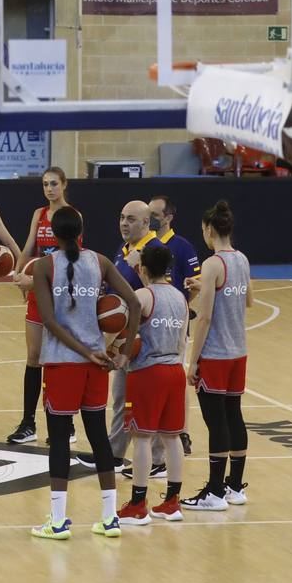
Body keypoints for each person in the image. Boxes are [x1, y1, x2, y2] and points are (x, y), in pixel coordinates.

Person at [30, 206, 140, 541]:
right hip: (97, 367)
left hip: (64, 363)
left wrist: (82, 351)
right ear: (81, 230)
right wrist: (122, 351)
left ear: (53, 232)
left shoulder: (44, 266)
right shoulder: (101, 262)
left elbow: (49, 321)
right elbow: (134, 304)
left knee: (60, 440)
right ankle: (109, 518)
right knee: (98, 438)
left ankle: (60, 521)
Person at [182, 201, 252, 511]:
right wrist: (206, 286)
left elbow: (205, 317)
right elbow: (248, 299)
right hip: (239, 351)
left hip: (216, 353)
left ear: (210, 230)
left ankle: (213, 492)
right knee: (234, 415)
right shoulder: (242, 259)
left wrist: (193, 359)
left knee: (216, 423)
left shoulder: (213, 264)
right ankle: (234, 487)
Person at [115, 243, 189, 526]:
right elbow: (183, 341)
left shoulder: (142, 296)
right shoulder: (180, 298)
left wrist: (120, 355)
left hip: (148, 372)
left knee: (142, 438)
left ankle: (137, 504)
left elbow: (123, 331)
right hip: (175, 371)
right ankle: (172, 501)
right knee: (172, 438)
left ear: (142, 268)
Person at [9, 166, 76, 445]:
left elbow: (70, 259)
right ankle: (28, 423)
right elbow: (28, 248)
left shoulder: (72, 216)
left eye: (53, 184)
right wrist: (18, 269)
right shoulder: (38, 214)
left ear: (64, 185)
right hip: (39, 292)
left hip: (59, 294)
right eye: (45, 184)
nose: (49, 189)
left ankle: (67, 424)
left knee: (59, 358)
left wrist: (34, 280)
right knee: (33, 357)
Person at [101, 199, 167, 478]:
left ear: (145, 223)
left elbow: (165, 293)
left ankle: (158, 460)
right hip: (125, 337)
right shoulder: (123, 249)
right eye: (121, 217)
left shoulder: (156, 250)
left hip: (148, 340)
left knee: (148, 400)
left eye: (131, 219)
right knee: (120, 397)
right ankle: (114, 454)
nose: (124, 223)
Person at [148, 194, 201, 456]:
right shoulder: (143, 244)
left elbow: (196, 283)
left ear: (168, 217)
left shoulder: (182, 247)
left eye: (155, 214)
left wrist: (182, 307)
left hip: (173, 325)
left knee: (176, 378)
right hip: (148, 324)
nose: (151, 218)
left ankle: (183, 432)